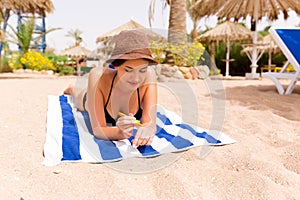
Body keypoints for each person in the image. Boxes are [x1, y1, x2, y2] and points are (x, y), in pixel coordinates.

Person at [64, 30, 158, 147]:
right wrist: (119, 133)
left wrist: (148, 130)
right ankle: (72, 89)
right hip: (88, 99)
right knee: (78, 96)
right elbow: (98, 130)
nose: (136, 78)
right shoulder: (98, 76)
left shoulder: (149, 75)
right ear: (116, 65)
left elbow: (150, 123)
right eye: (128, 70)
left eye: (142, 70)